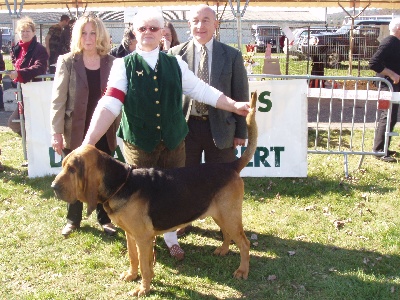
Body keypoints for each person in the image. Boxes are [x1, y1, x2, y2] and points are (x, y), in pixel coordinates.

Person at [81, 8, 250, 260]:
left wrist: (233, 105)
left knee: (173, 196)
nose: (147, 32)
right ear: (135, 33)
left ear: (162, 32)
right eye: (142, 29)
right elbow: (110, 104)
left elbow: (203, 91)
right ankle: (142, 243)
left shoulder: (176, 63)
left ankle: (171, 240)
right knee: (136, 199)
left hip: (173, 141)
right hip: (140, 144)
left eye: (153, 28)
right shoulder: (122, 66)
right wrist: (87, 143)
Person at [169, 4, 249, 235]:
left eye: (206, 20)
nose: (200, 26)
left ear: (216, 24)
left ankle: (228, 226)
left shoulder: (232, 55)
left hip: (221, 128)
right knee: (184, 180)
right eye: (195, 21)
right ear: (188, 26)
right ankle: (183, 221)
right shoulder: (175, 55)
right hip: (186, 129)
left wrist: (240, 132)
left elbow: (240, 95)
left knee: (223, 181)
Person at [51, 14, 118, 237]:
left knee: (101, 177)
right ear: (77, 35)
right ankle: (73, 219)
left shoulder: (112, 62)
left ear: (100, 35)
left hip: (104, 130)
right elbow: (59, 100)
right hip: (75, 132)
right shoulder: (67, 61)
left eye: (93, 33)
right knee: (73, 175)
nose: (88, 38)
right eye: (84, 33)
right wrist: (57, 132)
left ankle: (104, 218)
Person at [7, 16, 48, 135]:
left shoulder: (39, 49)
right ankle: (31, 142)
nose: (25, 34)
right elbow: (16, 65)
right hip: (22, 92)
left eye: (28, 31)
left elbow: (40, 67)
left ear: (34, 32)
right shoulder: (16, 49)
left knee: (15, 122)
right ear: (18, 32)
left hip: (34, 92)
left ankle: (32, 141)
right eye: (22, 31)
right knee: (20, 122)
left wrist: (19, 74)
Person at [369, 18, 400, 163]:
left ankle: (384, 147)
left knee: (391, 116)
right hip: (386, 85)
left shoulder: (396, 43)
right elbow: (374, 63)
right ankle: (379, 151)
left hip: (393, 87)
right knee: (386, 116)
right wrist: (392, 74)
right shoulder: (389, 42)